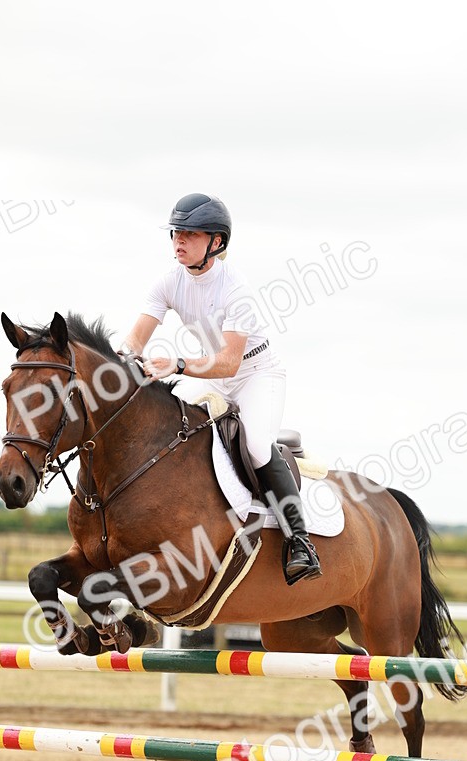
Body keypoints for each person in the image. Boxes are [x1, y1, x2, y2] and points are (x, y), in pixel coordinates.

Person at [120, 192, 321, 586]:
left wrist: (177, 364)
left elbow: (230, 361)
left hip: (256, 375)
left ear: (216, 242)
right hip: (211, 375)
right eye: (176, 232)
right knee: (174, 431)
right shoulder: (168, 282)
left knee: (257, 447)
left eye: (190, 234)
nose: (179, 240)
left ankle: (301, 541)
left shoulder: (235, 289)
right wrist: (117, 364)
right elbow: (136, 339)